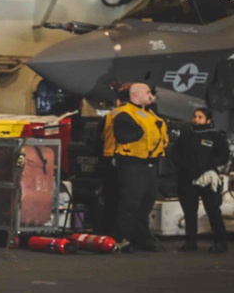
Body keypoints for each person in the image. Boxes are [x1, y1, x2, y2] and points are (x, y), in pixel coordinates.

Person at [111, 82, 169, 252]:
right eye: (148, 92)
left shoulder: (149, 113)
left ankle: (141, 238)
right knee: (130, 203)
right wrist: (142, 132)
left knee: (146, 204)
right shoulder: (124, 114)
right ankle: (120, 239)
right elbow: (124, 136)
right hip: (133, 165)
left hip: (150, 165)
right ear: (136, 95)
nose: (151, 96)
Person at [173, 107, 230, 253]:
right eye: (195, 116)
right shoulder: (186, 135)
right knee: (189, 212)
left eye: (200, 117)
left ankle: (220, 242)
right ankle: (190, 243)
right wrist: (184, 168)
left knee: (213, 210)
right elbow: (175, 153)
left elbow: (223, 156)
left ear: (208, 120)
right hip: (187, 179)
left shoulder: (216, 136)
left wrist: (207, 168)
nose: (196, 119)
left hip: (208, 178)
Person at [95, 84, 130, 235]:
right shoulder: (140, 115)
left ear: (117, 101)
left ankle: (108, 233)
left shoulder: (110, 115)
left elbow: (99, 139)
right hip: (131, 162)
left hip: (110, 159)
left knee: (110, 199)